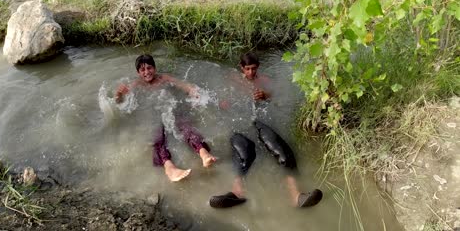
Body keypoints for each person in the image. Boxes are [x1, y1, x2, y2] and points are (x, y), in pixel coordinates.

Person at [210, 53, 323, 208]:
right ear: (241, 67)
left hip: (258, 119)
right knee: (243, 151)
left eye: (254, 68)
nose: (251, 72)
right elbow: (220, 97)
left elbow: (277, 97)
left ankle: (297, 196)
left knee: (279, 149)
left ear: (258, 67)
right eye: (247, 69)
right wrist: (224, 102)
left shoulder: (264, 81)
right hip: (238, 119)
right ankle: (236, 194)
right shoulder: (232, 79)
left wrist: (265, 95)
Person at [115, 54, 217, 182]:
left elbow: (183, 85)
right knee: (158, 136)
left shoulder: (164, 78)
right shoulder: (137, 84)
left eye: (149, 68)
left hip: (170, 107)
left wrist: (192, 91)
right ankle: (170, 168)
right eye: (143, 70)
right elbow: (120, 103)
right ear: (138, 72)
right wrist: (119, 94)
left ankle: (203, 153)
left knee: (185, 125)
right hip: (152, 112)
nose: (147, 72)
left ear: (155, 68)